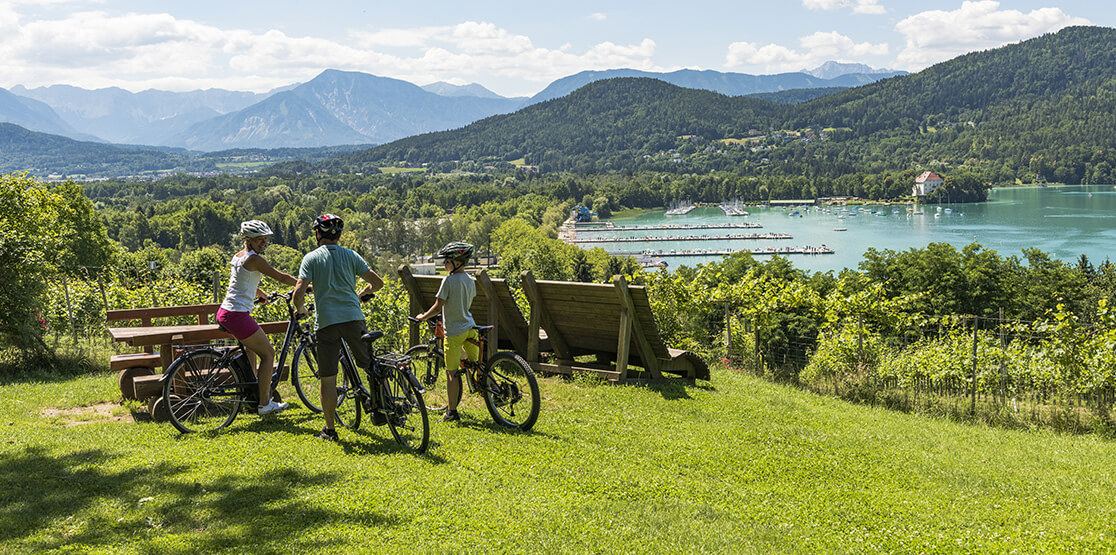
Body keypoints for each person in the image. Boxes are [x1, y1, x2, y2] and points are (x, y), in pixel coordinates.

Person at [293, 213, 383, 441]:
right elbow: (378, 282)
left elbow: (298, 292)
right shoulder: (351, 255)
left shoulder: (311, 258)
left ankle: (330, 428)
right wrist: (363, 294)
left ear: (317, 234)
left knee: (328, 378)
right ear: (339, 235)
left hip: (326, 323)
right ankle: (382, 406)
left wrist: (302, 309)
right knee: (370, 364)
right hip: (353, 317)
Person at [216, 220, 298, 415]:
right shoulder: (255, 259)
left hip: (226, 312)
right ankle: (264, 404)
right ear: (248, 240)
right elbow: (281, 277)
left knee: (251, 351)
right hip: (237, 315)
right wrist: (302, 286)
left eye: (265, 239)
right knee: (268, 354)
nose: (263, 242)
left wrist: (258, 291)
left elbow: (241, 280)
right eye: (258, 239)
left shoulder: (239, 256)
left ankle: (251, 394)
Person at [414, 241, 477, 423]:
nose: (444, 264)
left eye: (447, 261)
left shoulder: (448, 281)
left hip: (455, 332)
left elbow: (437, 306)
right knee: (477, 366)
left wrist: (423, 317)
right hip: (470, 328)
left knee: (452, 373)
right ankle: (493, 393)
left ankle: (452, 412)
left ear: (457, 262)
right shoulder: (471, 281)